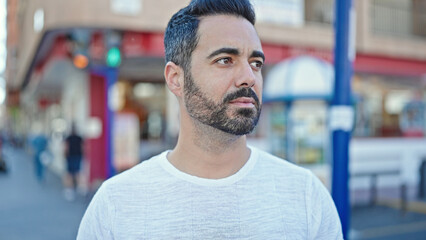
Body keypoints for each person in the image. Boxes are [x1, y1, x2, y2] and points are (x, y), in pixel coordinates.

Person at [77, 0, 343, 239]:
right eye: (225, 60)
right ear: (175, 78)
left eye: (256, 63)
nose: (249, 77)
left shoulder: (306, 197)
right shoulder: (115, 205)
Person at [63, 124, 84, 200]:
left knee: (69, 174)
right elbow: (83, 147)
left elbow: (66, 147)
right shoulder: (79, 138)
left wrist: (65, 155)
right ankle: (80, 189)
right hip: (78, 156)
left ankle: (69, 190)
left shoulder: (68, 138)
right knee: (78, 173)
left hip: (70, 157)